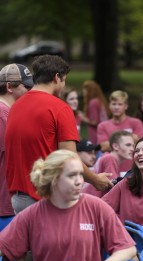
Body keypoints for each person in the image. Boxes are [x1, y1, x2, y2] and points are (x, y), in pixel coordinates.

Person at [0, 150, 136, 261]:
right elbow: (3, 246)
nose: (79, 181)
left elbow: (128, 248)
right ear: (54, 179)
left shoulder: (96, 206)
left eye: (80, 174)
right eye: (72, 175)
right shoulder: (33, 214)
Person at [5, 55, 113, 214]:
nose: (64, 86)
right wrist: (96, 180)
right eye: (64, 80)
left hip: (17, 198)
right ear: (57, 77)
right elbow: (70, 158)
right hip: (44, 197)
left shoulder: (15, 106)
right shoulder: (60, 108)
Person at [0, 63, 34, 261]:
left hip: (9, 199)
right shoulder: (4, 116)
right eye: (26, 87)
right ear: (10, 87)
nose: (30, 92)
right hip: (4, 202)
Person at [83, 131, 135, 197]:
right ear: (115, 146)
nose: (132, 149)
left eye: (133, 146)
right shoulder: (110, 158)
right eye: (128, 145)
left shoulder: (107, 156)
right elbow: (114, 187)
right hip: (93, 200)